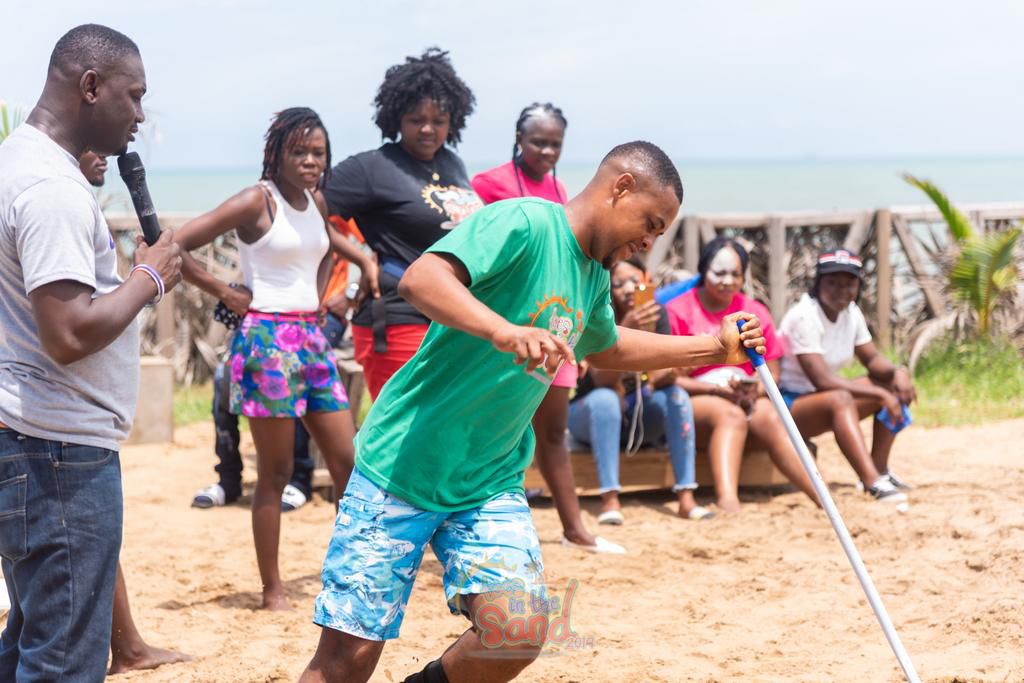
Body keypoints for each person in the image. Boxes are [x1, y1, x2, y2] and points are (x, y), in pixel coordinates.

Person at [300, 141, 768, 683]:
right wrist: (503, 330)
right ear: (621, 188)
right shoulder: (523, 222)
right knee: (346, 660)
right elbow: (422, 281)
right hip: (402, 465)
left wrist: (713, 348)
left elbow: (607, 346)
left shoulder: (592, 275)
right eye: (651, 222)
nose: (649, 241)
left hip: (487, 478)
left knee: (516, 631)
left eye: (659, 233)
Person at [0, 24, 182, 680]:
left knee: (33, 639)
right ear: (90, 86)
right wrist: (151, 275)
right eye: (134, 97)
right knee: (63, 661)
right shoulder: (51, 188)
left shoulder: (17, 160)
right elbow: (69, 333)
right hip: (57, 453)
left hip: (31, 439)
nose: (139, 115)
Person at [174, 107, 358, 610]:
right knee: (275, 474)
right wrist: (223, 290)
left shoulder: (316, 202)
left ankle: (350, 573)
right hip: (266, 342)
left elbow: (326, 252)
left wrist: (322, 298)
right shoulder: (257, 200)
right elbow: (173, 244)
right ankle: (272, 589)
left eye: (318, 153)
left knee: (349, 465)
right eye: (299, 152)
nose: (310, 162)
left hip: (312, 337)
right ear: (275, 153)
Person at [472, 103, 621, 554]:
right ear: (518, 138)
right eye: (538, 141)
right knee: (500, 427)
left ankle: (574, 527)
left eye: (555, 143)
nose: (547, 151)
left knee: (552, 431)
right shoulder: (487, 184)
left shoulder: (559, 189)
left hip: (558, 321)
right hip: (508, 330)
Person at [79, 149, 193, 674]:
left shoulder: (77, 207)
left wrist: (142, 279)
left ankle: (127, 647)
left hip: (81, 418)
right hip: (43, 421)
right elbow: (71, 327)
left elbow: (100, 306)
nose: (104, 154)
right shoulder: (46, 202)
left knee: (88, 542)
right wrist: (147, 278)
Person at [322, 47, 483, 400]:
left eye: (439, 120)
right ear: (397, 118)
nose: (428, 129)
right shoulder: (372, 167)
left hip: (453, 314)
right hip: (398, 315)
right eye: (416, 119)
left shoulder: (453, 163)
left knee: (441, 427)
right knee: (403, 430)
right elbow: (306, 209)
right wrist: (361, 257)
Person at [667, 238, 820, 513]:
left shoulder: (754, 312)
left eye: (736, 274)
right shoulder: (678, 310)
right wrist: (716, 390)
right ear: (703, 271)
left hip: (744, 393)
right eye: (720, 273)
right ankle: (728, 501)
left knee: (772, 417)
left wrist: (756, 389)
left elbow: (772, 371)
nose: (728, 281)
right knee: (730, 415)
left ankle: (821, 496)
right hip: (698, 395)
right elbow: (666, 377)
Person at [569, 255, 705, 522]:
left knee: (677, 396)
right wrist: (623, 331)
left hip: (637, 412)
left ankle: (686, 497)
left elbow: (657, 376)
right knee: (606, 399)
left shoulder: (656, 313)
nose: (629, 289)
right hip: (589, 412)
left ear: (646, 281)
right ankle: (610, 500)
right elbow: (601, 380)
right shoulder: (596, 313)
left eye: (635, 281)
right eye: (619, 283)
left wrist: (679, 365)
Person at [778, 249, 914, 502]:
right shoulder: (804, 316)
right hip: (791, 405)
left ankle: (880, 470)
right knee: (842, 398)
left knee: (892, 385)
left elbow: (872, 359)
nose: (842, 290)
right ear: (818, 283)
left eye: (849, 283)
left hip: (824, 398)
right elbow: (822, 380)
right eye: (833, 282)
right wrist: (879, 394)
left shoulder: (851, 313)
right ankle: (871, 481)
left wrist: (898, 373)